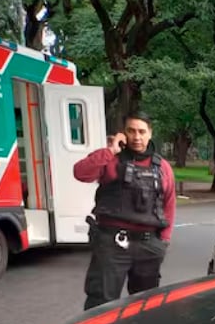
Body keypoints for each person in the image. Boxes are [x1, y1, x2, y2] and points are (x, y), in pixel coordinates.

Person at [73, 112, 176, 311]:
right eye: (131, 131)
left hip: (149, 246)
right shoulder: (111, 160)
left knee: (146, 306)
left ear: (150, 133)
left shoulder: (162, 167)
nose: (137, 137)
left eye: (141, 132)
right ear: (123, 133)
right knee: (100, 304)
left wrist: (163, 241)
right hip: (111, 244)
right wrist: (111, 149)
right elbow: (80, 173)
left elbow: (169, 204)